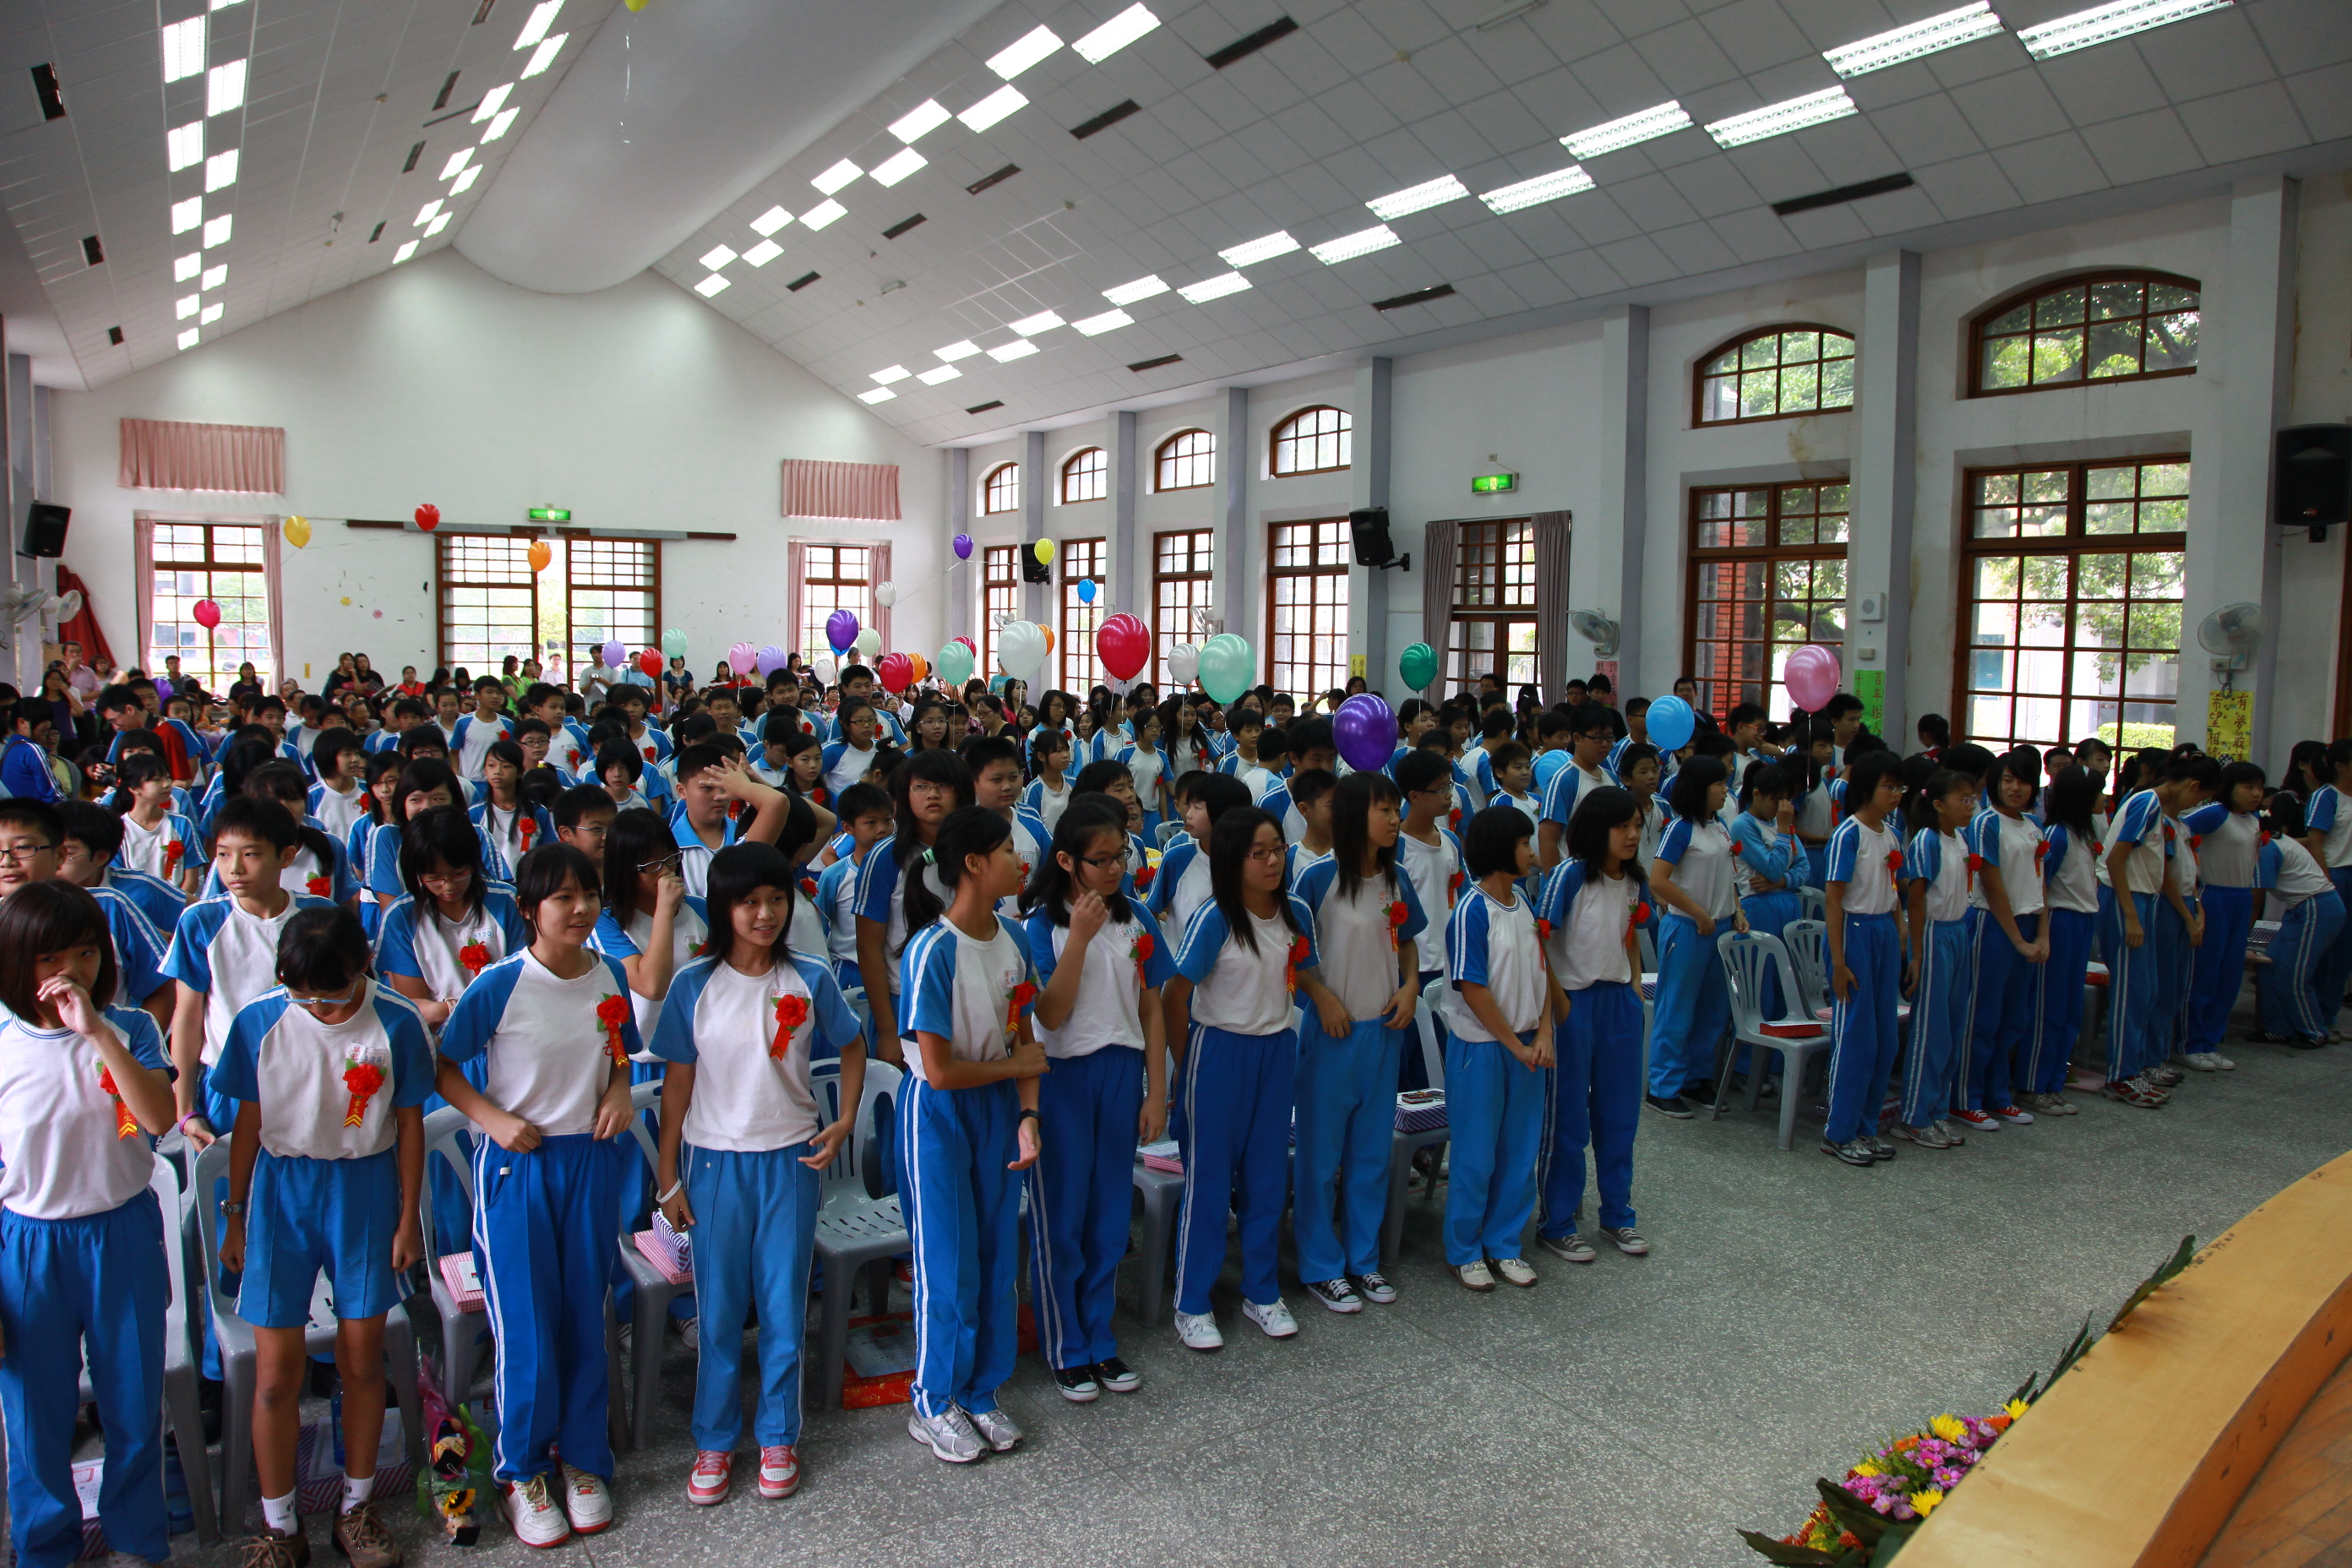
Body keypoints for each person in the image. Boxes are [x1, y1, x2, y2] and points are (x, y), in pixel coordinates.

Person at [433, 844, 640, 1547]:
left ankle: (582, 1459)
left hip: (590, 1161)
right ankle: (521, 1470)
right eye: (563, 898)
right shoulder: (498, 985)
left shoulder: (608, 972)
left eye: (590, 895)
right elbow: (444, 1067)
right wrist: (491, 1119)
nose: (581, 910)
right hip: (517, 1168)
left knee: (585, 1314)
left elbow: (618, 1049)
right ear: (527, 909)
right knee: (526, 1326)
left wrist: (619, 1090)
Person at [213, 907, 427, 1568]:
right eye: (304, 996)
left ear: (362, 966)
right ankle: (281, 1527)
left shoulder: (396, 1021)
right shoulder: (261, 1021)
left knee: (361, 1360)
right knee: (276, 1373)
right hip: (283, 1194)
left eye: (332, 995)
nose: (319, 1009)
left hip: (364, 1191)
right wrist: (236, 1213)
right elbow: (247, 1125)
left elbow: (410, 1125)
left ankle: (356, 1510)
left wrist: (408, 1219)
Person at [651, 843, 863, 1505]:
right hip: (713, 1166)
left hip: (791, 1161)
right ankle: (714, 1441)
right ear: (723, 908)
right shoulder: (693, 983)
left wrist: (844, 1120)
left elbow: (853, 1044)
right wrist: (668, 1177)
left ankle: (777, 1436)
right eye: (749, 902)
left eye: (776, 900)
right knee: (717, 1313)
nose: (766, 914)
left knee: (782, 1308)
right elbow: (676, 1086)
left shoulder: (810, 977)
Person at [0, 882, 177, 1568]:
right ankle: (45, 1548)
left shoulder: (130, 1028)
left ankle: (137, 1542)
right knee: (35, 1415)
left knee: (133, 1404)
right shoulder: (5, 1041)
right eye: (49, 958)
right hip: (27, 1245)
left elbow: (156, 1119)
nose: (71, 972)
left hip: (121, 1233)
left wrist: (97, 1032)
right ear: (17, 963)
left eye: (85, 953)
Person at [896, 807, 1043, 1462]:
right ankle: (932, 1401)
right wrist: (1015, 1072)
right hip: (939, 1113)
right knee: (947, 1264)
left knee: (995, 1259)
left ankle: (981, 1392)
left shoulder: (1015, 940)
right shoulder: (933, 950)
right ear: (975, 864)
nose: (1020, 859)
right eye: (1008, 849)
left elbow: (1024, 1039)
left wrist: (1028, 1117)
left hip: (997, 1109)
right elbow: (940, 1069)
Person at [1021, 799, 1173, 1399]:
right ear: (1067, 861)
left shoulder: (1137, 917)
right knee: (1064, 1216)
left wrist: (1156, 1090)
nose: (1115, 870)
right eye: (1101, 860)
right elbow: (1050, 1014)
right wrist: (1080, 939)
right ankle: (1066, 1345)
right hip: (1062, 1077)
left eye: (1121, 857)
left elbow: (1151, 1006)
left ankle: (1100, 1338)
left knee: (1110, 1216)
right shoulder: (1042, 925)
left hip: (1121, 1071)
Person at [1165, 806, 1319, 1350]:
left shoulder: (1297, 911)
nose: (1274, 861)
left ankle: (1262, 1291)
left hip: (1276, 1050)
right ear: (1234, 859)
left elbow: (1304, 972)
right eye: (1260, 853)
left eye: (1278, 849)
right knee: (1209, 1181)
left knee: (1268, 1177)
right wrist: (1184, 1065)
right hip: (1218, 1051)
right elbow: (1175, 994)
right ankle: (1192, 1303)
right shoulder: (1216, 917)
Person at [1289, 773, 1425, 1313]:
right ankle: (1321, 1266)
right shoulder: (1317, 878)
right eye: (1384, 810)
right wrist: (1320, 997)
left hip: (1384, 1031)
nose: (1395, 819)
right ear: (1351, 816)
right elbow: (1291, 953)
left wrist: (1410, 987)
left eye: (1396, 809)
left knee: (1370, 1154)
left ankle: (1362, 1258)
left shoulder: (1397, 878)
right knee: (1320, 1159)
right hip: (1331, 1034)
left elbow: (1407, 941)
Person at [165, 798, 340, 1146]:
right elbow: (187, 1017)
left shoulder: (321, 916)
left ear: (286, 857)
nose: (234, 868)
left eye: (250, 854)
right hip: (230, 1084)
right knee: (234, 1177)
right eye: (223, 854)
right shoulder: (201, 921)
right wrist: (185, 1110)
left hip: (311, 1076)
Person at [1440, 804, 1554, 1292]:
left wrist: (1543, 1033)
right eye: (1524, 843)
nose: (1531, 851)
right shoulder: (1471, 910)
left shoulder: (1523, 902)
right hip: (1483, 1049)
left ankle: (1505, 1243)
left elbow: (1543, 972)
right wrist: (1514, 1045)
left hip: (1527, 1047)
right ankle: (1465, 1250)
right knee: (1476, 1155)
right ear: (1500, 849)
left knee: (1520, 1151)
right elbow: (1473, 988)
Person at [1535, 785, 1649, 1263]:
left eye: (1637, 826)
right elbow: (1539, 941)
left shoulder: (1634, 880)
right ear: (1597, 829)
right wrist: (1559, 1004)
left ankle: (1617, 1214)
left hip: (1618, 1004)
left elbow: (1630, 936)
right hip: (1573, 1004)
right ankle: (1557, 1222)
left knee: (1619, 1116)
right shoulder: (1571, 875)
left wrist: (1634, 984)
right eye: (1622, 826)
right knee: (1568, 1120)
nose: (1632, 835)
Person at [856, 751, 975, 1070]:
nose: (932, 794)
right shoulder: (885, 857)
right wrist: (887, 1031)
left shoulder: (978, 851)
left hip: (968, 997)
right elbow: (868, 947)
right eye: (921, 786)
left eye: (943, 785)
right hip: (905, 1002)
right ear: (904, 796)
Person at [1820, 749, 1908, 1168]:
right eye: (1888, 786)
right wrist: (1838, 963)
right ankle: (1839, 1133)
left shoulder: (1891, 834)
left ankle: (1866, 1127)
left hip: (1883, 932)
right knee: (1855, 1038)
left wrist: (1899, 929)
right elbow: (1833, 901)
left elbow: (1894, 888)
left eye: (1899, 786)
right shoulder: (1848, 835)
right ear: (1867, 789)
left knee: (1885, 1038)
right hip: (1854, 932)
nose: (1896, 793)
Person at [1643, 758, 1745, 1118]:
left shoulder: (1720, 827)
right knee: (1677, 1009)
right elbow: (1658, 881)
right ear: (1699, 788)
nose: (1725, 790)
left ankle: (1696, 1078)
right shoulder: (1680, 829)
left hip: (1720, 928)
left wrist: (1736, 909)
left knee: (1713, 1011)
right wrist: (1699, 913)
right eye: (1718, 784)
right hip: (1688, 929)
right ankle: (1662, 1087)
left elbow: (1727, 875)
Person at [1954, 748, 2047, 1132]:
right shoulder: (1985, 824)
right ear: (1994, 783)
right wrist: (2019, 941)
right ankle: (1967, 1098)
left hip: (2026, 925)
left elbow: (2041, 883)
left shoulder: (2034, 825)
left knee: (2014, 1018)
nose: (2015, 788)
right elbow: (1992, 886)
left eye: (2022, 781)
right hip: (1992, 926)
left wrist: (2042, 934)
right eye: (2007, 780)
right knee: (1983, 1016)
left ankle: (1998, 1095)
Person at [372, 807, 531, 1029]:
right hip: (441, 1037)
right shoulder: (401, 918)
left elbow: (522, 982)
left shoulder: (506, 903)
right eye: (434, 877)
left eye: (459, 873)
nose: (448, 886)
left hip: (506, 1028)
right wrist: (451, 1011)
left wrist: (444, 1009)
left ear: (474, 862)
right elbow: (415, 1009)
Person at [1895, 768, 1978, 1148]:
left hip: (1958, 932)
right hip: (1933, 934)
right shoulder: (1927, 840)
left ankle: (1937, 1111)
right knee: (1932, 1030)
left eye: (1972, 798)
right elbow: (1916, 899)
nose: (1970, 805)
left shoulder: (1959, 838)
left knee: (1955, 1026)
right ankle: (1913, 1116)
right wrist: (1917, 954)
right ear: (1940, 805)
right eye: (1963, 799)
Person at [2022, 764, 2100, 1112]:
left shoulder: (2083, 834)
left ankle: (2054, 1081)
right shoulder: (2057, 835)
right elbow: (2042, 884)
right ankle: (2033, 1084)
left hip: (2082, 921)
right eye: (2097, 792)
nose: (2103, 798)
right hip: (2060, 921)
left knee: (2070, 1007)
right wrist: (2043, 933)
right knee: (2049, 1008)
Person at [591, 808, 705, 1046]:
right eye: (652, 864)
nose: (665, 871)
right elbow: (651, 987)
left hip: (702, 1047)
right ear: (624, 869)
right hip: (645, 1054)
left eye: (670, 858)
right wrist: (664, 909)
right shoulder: (605, 922)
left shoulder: (702, 909)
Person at [2181, 760, 2263, 1070]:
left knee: (2229, 975)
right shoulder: (2214, 814)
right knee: (2206, 972)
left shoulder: (2254, 819)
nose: (2256, 794)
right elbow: (2179, 830)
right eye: (2248, 787)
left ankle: (2210, 1041)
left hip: (2241, 898)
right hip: (2214, 896)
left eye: (2259, 787)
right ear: (2230, 788)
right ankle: (2190, 1042)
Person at [2257, 796, 2344, 1047]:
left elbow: (2256, 897)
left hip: (2316, 906)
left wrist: (2244, 936)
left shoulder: (2268, 846)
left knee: (2292, 976)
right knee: (2269, 965)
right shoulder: (2272, 841)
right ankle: (2279, 1028)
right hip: (2300, 907)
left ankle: (2314, 1032)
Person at [1021, 727, 1073, 832]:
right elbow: (1031, 827)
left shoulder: (1074, 783)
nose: (1065, 755)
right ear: (1041, 756)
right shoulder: (1034, 790)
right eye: (1058, 751)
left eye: (1067, 750)